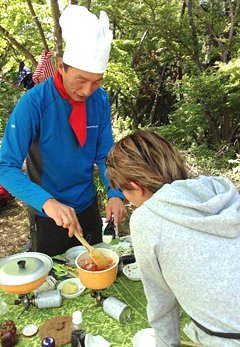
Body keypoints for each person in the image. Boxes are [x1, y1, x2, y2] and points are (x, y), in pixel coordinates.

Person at [0, 5, 126, 256]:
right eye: (80, 79)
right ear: (61, 66)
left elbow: (104, 154)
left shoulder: (99, 100)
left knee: (95, 263)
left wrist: (115, 192)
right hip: (47, 210)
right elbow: (5, 167)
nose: (87, 90)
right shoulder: (34, 103)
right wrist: (48, 203)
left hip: (87, 204)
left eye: (97, 81)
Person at [105, 130, 240, 347]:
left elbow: (161, 304)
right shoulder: (220, 191)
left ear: (137, 187)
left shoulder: (146, 219)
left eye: (125, 192)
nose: (129, 201)